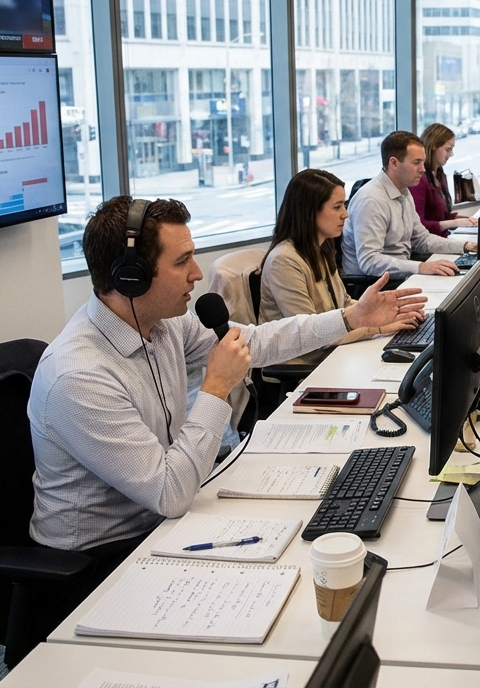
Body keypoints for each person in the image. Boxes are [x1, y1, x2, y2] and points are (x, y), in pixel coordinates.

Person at [29, 196, 426, 600]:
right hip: (101, 564)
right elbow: (168, 493)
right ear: (131, 277)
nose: (197, 273)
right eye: (182, 261)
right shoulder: (78, 377)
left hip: (168, 520)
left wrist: (349, 318)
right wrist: (216, 387)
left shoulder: (162, 325)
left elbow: (253, 341)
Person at [260, 169, 419, 367]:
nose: (345, 214)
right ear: (309, 212)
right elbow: (311, 334)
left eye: (344, 205)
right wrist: (378, 328)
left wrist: (384, 312)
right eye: (337, 207)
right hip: (306, 365)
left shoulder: (321, 248)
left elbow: (342, 302)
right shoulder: (284, 261)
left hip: (335, 352)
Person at [342, 130, 474, 278]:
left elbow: (421, 239)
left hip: (399, 274)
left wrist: (466, 246)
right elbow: (370, 261)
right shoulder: (371, 200)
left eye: (423, 162)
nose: (423, 169)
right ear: (394, 163)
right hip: (372, 283)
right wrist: (420, 267)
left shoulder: (403, 191)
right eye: (416, 163)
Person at [410, 123, 475, 237]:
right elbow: (418, 227)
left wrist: (471, 221)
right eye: (448, 149)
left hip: (442, 238)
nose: (451, 154)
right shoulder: (419, 180)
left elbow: (442, 217)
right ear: (434, 147)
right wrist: (456, 223)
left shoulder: (440, 174)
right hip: (428, 242)